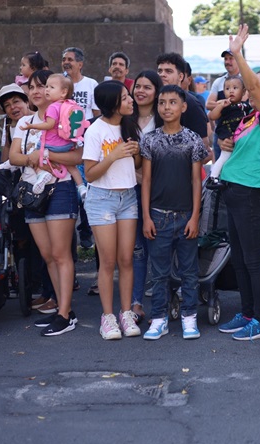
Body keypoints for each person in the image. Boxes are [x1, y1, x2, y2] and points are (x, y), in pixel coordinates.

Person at [215, 25, 260, 340]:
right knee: (241, 259)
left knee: (253, 260)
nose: (253, 86)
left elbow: (253, 89)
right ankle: (247, 313)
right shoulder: (250, 118)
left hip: (251, 193)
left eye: (259, 84)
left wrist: (237, 53)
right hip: (233, 190)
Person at [9, 70, 82, 336]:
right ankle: (64, 310)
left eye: (44, 86)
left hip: (60, 189)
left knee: (61, 254)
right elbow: (14, 157)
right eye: (32, 87)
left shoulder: (67, 116)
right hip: (31, 191)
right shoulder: (24, 122)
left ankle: (64, 313)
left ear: (57, 91)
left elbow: (78, 156)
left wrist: (45, 155)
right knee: (48, 254)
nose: (38, 91)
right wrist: (38, 159)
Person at [141, 85, 209, 340]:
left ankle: (189, 318)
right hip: (157, 216)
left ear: (183, 107)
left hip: (185, 217)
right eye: (162, 102)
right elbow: (146, 180)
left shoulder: (192, 139)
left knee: (189, 272)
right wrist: (147, 216)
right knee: (158, 273)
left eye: (172, 102)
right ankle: (158, 319)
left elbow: (196, 181)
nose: (166, 107)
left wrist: (194, 216)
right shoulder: (149, 140)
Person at [82, 80, 141, 340]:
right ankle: (107, 317)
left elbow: (136, 165)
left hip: (128, 196)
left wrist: (136, 153)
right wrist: (113, 155)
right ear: (112, 103)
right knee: (107, 262)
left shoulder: (129, 126)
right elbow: (91, 174)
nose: (131, 100)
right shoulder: (95, 131)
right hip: (102, 199)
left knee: (126, 259)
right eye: (126, 97)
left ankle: (126, 313)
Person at [18, 73, 86, 195]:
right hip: (67, 145)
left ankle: (41, 174)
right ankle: (81, 187)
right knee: (72, 167)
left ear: (63, 92)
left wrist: (32, 126)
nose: (46, 90)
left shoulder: (53, 107)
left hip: (52, 145)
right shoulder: (68, 105)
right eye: (31, 87)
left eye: (49, 87)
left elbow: (49, 125)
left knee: (37, 155)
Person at [131, 70, 163, 322]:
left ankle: (165, 305)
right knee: (138, 250)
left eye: (147, 87)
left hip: (160, 192)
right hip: (129, 190)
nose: (140, 90)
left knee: (161, 249)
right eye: (137, 86)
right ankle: (136, 303)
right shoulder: (123, 119)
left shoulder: (164, 120)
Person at [155, 52, 210, 156]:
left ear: (181, 76)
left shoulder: (191, 103)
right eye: (159, 71)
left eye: (168, 71)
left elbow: (203, 143)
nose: (162, 74)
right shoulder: (154, 99)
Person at [205, 75, 251, 189]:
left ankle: (224, 177)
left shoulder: (245, 106)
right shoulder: (225, 105)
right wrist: (220, 106)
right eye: (227, 88)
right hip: (228, 134)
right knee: (225, 156)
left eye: (235, 88)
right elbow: (212, 116)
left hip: (239, 135)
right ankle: (213, 177)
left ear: (244, 91)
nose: (231, 91)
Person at [62, 47, 100, 120]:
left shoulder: (91, 83)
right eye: (64, 60)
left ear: (80, 65)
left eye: (70, 60)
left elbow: (97, 113)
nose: (66, 62)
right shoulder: (58, 84)